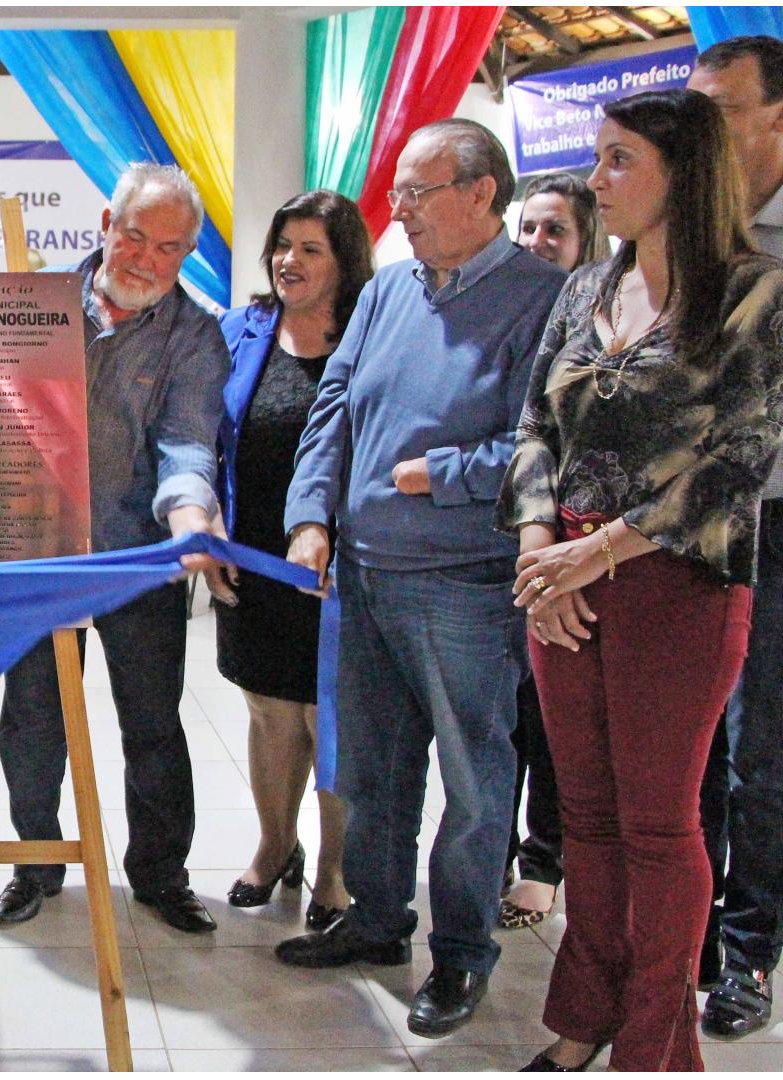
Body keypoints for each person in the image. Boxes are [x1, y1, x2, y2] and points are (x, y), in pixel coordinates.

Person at [501, 88, 783, 1072]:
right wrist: (544, 548)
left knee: (658, 826)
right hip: (562, 583)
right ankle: (582, 1015)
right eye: (597, 156)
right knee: (583, 820)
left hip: (680, 587)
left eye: (618, 160)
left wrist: (592, 551)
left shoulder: (754, 294)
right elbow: (534, 424)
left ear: (684, 174)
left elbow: (734, 462)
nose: (595, 180)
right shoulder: (583, 287)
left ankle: (655, 1049)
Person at [270, 119, 567, 1038]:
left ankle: (464, 954)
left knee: (475, 786)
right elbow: (334, 407)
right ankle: (376, 920)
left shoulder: (543, 298)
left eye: (415, 192)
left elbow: (542, 443)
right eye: (397, 192)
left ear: (481, 196)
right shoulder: (387, 290)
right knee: (372, 770)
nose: (394, 210)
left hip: (466, 584)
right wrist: (311, 515)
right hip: (361, 574)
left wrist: (443, 474)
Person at [0, 162, 229, 934]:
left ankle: (160, 875)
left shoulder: (195, 334)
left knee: (152, 718)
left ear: (187, 254)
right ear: (105, 223)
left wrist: (192, 513)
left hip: (139, 555)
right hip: (38, 554)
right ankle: (36, 862)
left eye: (169, 248)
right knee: (32, 716)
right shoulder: (33, 306)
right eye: (135, 236)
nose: (146, 260)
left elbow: (186, 440)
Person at [214, 190, 372, 932]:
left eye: (311, 248)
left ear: (345, 262)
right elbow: (206, 433)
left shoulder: (369, 335)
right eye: (283, 244)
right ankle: (276, 847)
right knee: (270, 712)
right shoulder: (241, 331)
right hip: (251, 558)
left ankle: (333, 870)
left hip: (339, 570)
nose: (290, 260)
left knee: (326, 716)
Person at [689, 33, 783, 1038]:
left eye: (717, 108)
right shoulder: (686, 230)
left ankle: (748, 952)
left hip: (774, 519)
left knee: (763, 747)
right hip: (679, 523)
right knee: (691, 740)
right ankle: (692, 936)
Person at [499, 172, 609, 933]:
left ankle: (544, 862)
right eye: (528, 228)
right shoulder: (507, 307)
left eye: (555, 231)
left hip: (585, 549)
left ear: (585, 241)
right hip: (511, 547)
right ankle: (496, 855)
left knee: (552, 726)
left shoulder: (607, 317)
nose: (537, 243)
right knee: (502, 719)